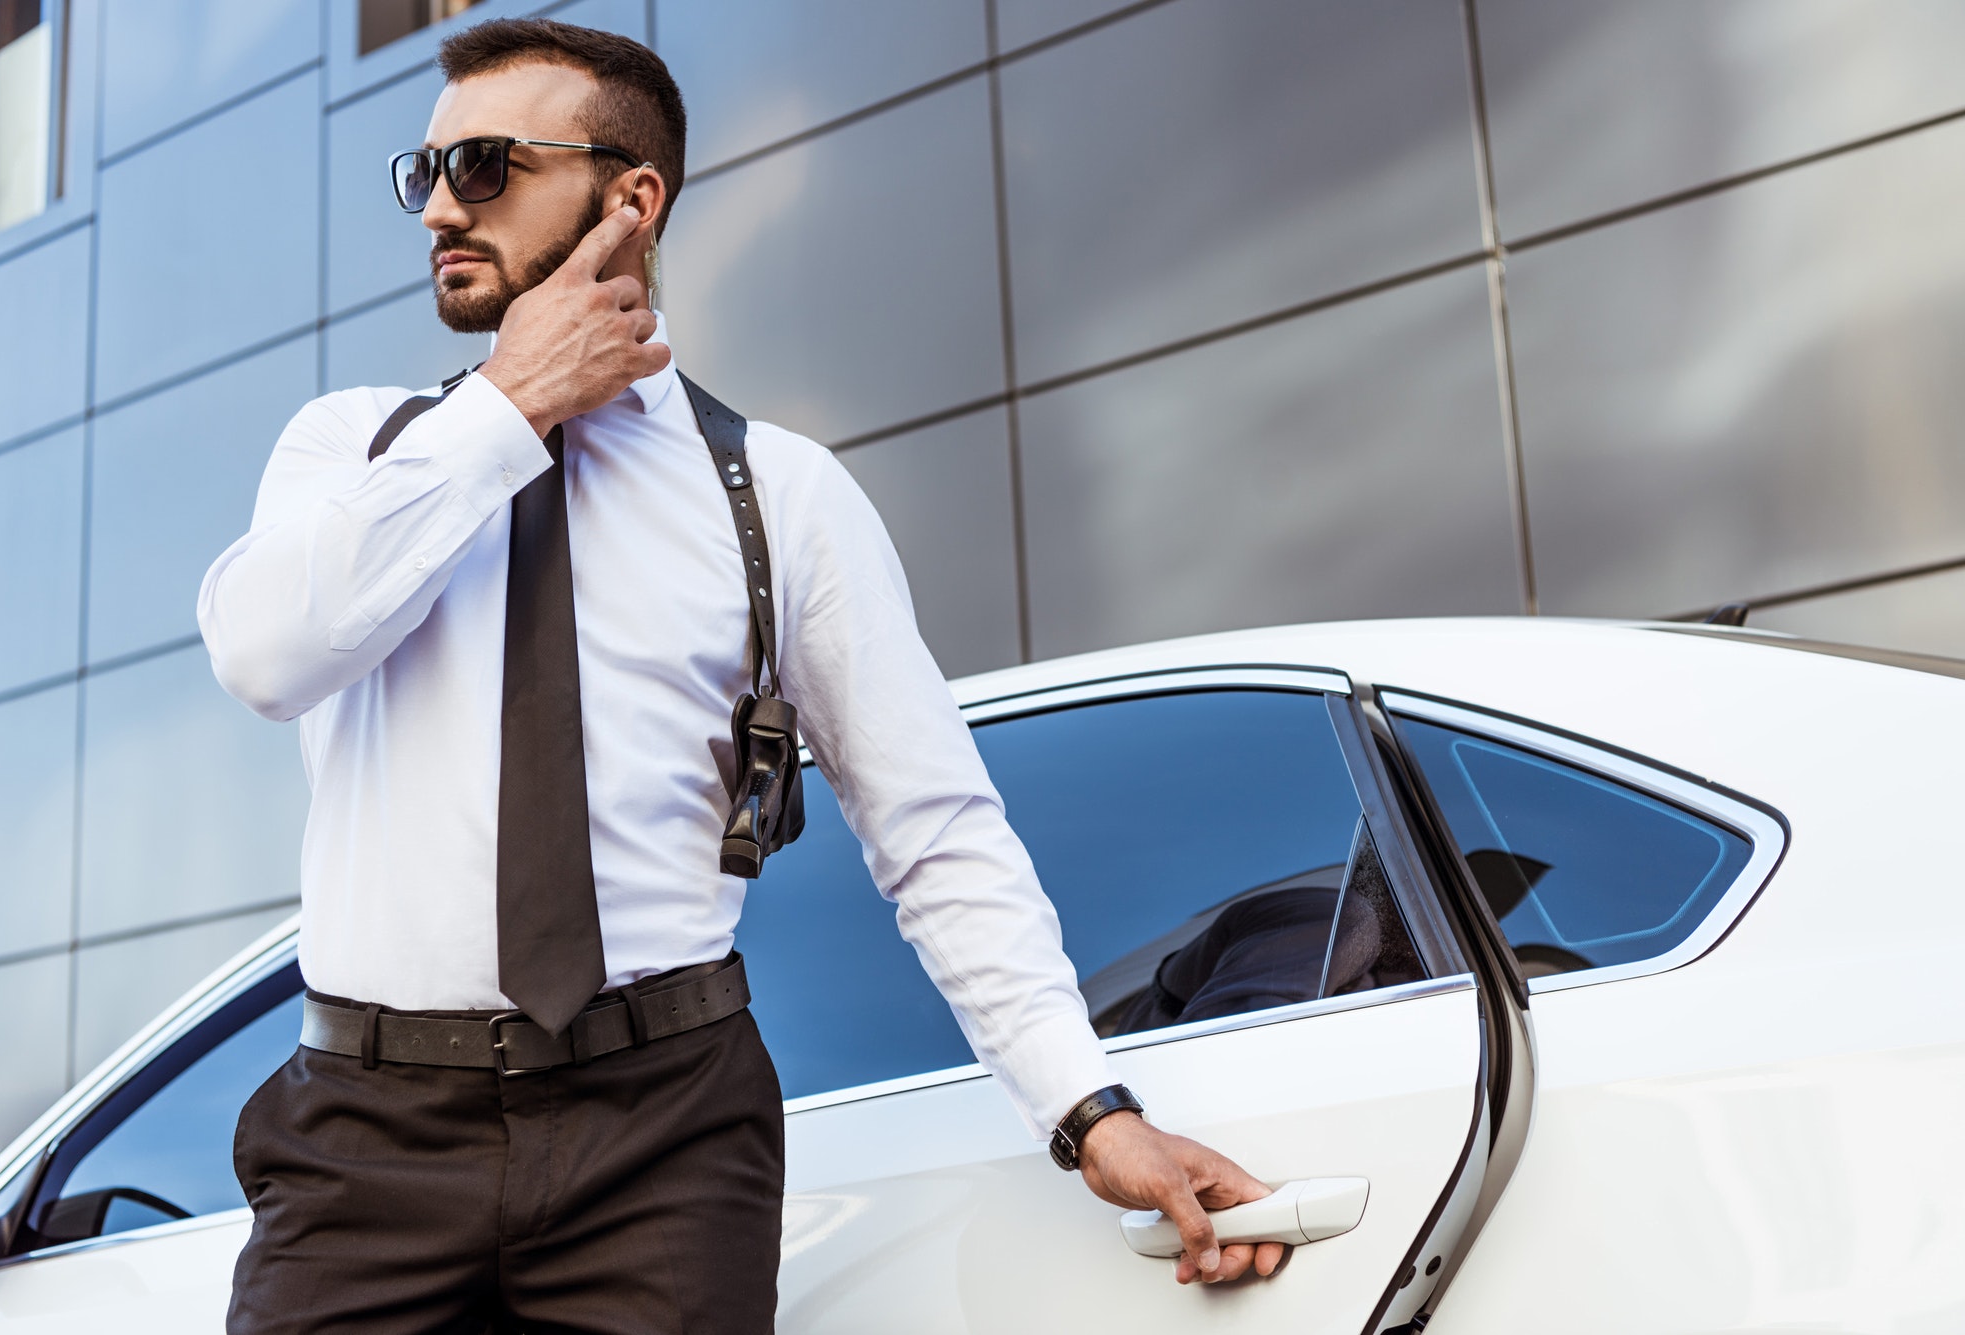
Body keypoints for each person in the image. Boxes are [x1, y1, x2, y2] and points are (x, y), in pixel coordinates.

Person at [198, 18, 1281, 1333]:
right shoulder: (350, 449)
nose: (436, 207)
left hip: (665, 1136)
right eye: (418, 173)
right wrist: (507, 409)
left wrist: (1087, 1110)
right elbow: (267, 654)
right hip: (363, 1142)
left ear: (629, 198)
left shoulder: (782, 496)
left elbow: (935, 833)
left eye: (482, 167)